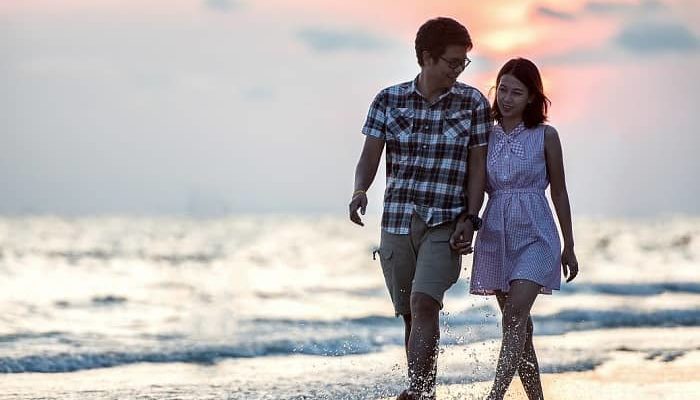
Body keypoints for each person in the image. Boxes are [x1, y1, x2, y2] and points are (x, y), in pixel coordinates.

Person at [349, 17, 492, 400]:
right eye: (452, 61)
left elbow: (478, 166)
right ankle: (424, 391)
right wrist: (360, 190)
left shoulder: (474, 103)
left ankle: (419, 391)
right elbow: (369, 157)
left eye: (463, 62)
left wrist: (471, 217)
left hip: (446, 222)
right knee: (411, 314)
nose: (459, 69)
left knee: (424, 300)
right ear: (426, 58)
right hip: (397, 220)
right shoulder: (387, 100)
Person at [469, 58, 579, 400]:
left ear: (532, 97)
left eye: (517, 92)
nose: (507, 98)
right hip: (495, 234)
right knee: (519, 327)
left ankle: (495, 396)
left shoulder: (546, 135)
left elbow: (559, 191)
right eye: (502, 89)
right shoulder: (483, 133)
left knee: (516, 314)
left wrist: (569, 245)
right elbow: (471, 184)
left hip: (537, 233)